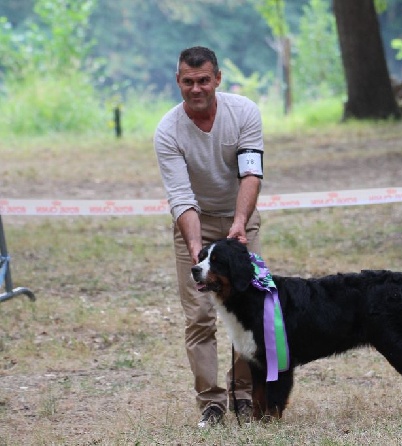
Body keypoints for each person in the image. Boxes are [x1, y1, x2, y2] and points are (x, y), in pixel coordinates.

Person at [154, 46, 264, 426]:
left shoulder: (244, 112)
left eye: (204, 80)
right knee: (200, 316)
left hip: (239, 221)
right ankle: (211, 403)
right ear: (178, 81)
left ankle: (245, 395)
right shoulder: (168, 131)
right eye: (188, 81)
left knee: (248, 309)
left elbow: (251, 173)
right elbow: (181, 197)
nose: (196, 88)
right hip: (195, 222)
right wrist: (198, 251)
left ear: (217, 78)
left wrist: (239, 225)